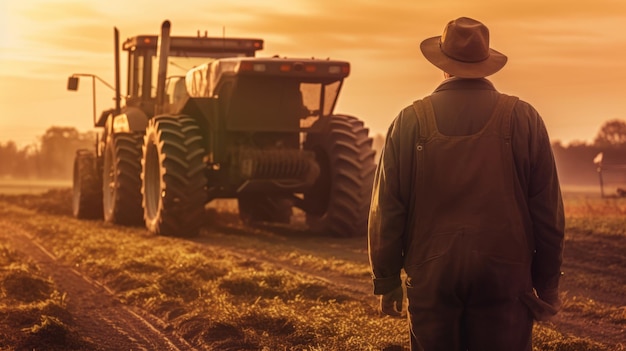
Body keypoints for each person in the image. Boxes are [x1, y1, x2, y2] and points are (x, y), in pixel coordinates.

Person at [368, 17, 565, 351]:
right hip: (505, 278)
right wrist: (547, 284)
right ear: (486, 66)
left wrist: (386, 280)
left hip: (431, 276)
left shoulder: (409, 121)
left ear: (443, 66)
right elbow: (547, 212)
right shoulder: (524, 119)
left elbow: (387, 208)